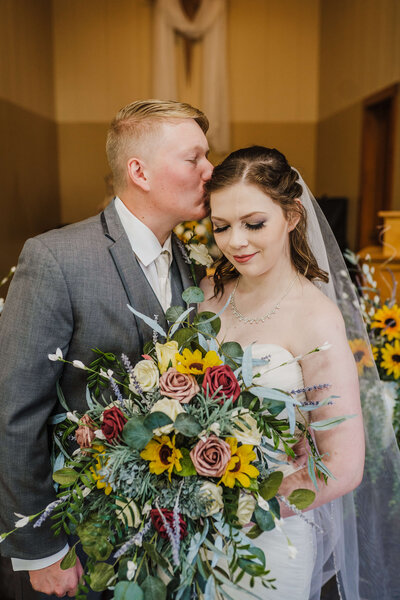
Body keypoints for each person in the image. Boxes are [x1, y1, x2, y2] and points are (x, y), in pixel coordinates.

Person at [0, 99, 213, 599]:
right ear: (138, 171)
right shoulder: (55, 259)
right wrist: (42, 548)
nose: (209, 170)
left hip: (167, 530)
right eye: (193, 158)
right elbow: (14, 413)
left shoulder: (190, 260)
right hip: (78, 536)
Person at [200, 146, 400, 599]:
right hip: (192, 530)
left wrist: (251, 506)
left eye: (254, 224)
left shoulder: (316, 317)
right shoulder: (208, 293)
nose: (236, 242)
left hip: (270, 540)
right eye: (221, 227)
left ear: (291, 216)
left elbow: (344, 466)